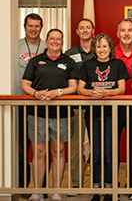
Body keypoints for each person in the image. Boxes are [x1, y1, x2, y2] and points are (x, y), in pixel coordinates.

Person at [21, 29, 79, 201]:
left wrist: (57, 92)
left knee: (59, 151)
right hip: (38, 113)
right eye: (52, 38)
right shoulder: (35, 61)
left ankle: (55, 191)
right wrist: (35, 94)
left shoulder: (69, 62)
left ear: (62, 41)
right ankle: (37, 191)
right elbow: (25, 84)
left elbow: (73, 87)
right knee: (39, 152)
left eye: (59, 39)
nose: (55, 41)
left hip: (62, 113)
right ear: (46, 40)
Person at [77, 33, 129, 201]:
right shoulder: (87, 65)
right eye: (98, 47)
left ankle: (109, 188)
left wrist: (105, 92)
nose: (101, 50)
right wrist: (92, 93)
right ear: (94, 49)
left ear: (110, 48)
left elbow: (121, 88)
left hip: (112, 115)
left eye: (105, 46)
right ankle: (96, 188)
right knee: (96, 153)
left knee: (109, 152)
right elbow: (80, 89)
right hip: (93, 114)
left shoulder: (118, 64)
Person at [17, 13, 47, 196]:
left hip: (42, 104)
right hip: (20, 101)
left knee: (43, 147)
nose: (34, 29)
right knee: (22, 147)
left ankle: (42, 188)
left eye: (37, 26)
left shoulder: (47, 46)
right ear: (25, 26)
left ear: (41, 28)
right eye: (30, 26)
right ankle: (23, 186)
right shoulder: (16, 46)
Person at [65, 18, 95, 196]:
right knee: (76, 146)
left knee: (99, 145)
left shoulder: (100, 51)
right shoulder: (69, 54)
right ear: (77, 31)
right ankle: (76, 184)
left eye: (88, 28)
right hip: (77, 105)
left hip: (98, 104)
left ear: (93, 30)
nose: (85, 30)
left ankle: (99, 182)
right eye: (81, 28)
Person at [115, 19, 132, 200]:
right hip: (112, 106)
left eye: (130, 30)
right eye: (123, 30)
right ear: (117, 34)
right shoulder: (109, 54)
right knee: (110, 146)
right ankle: (110, 183)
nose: (126, 33)